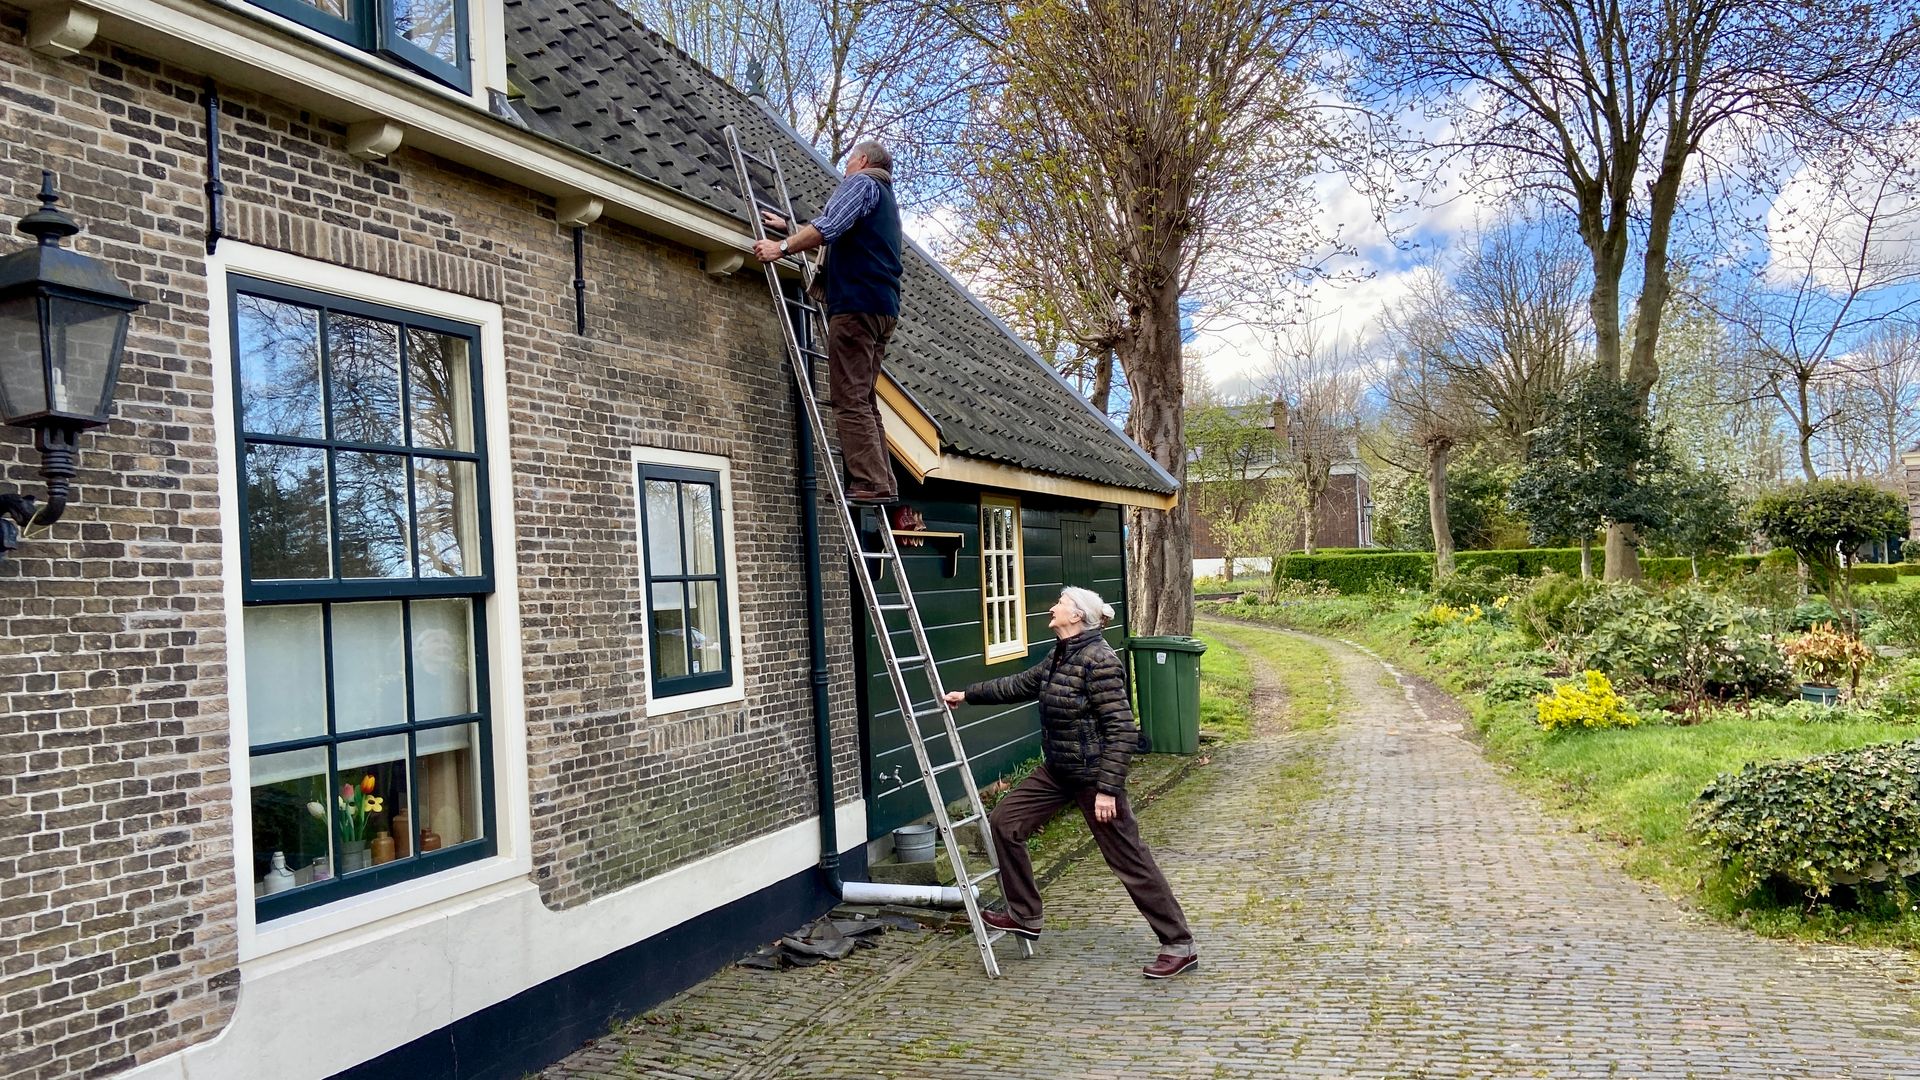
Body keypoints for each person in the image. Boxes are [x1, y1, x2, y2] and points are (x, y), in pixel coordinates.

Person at [943, 586, 1199, 978]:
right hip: (1059, 771)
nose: (1052, 608)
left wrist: (1108, 790)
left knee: (1129, 861)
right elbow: (1020, 684)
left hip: (1094, 778)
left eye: (1060, 604)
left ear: (1077, 615)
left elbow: (1122, 730)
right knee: (1005, 822)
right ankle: (1025, 915)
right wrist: (968, 695)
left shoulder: (1100, 661)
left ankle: (1179, 944)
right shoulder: (1061, 655)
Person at [752, 140, 903, 506]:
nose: (845, 167)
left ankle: (869, 482)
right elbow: (842, 231)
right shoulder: (885, 199)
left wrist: (780, 247)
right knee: (864, 398)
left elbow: (831, 226)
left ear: (862, 160)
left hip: (855, 306)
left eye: (849, 160)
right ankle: (883, 481)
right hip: (882, 308)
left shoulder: (861, 183)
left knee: (848, 397)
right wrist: (791, 227)